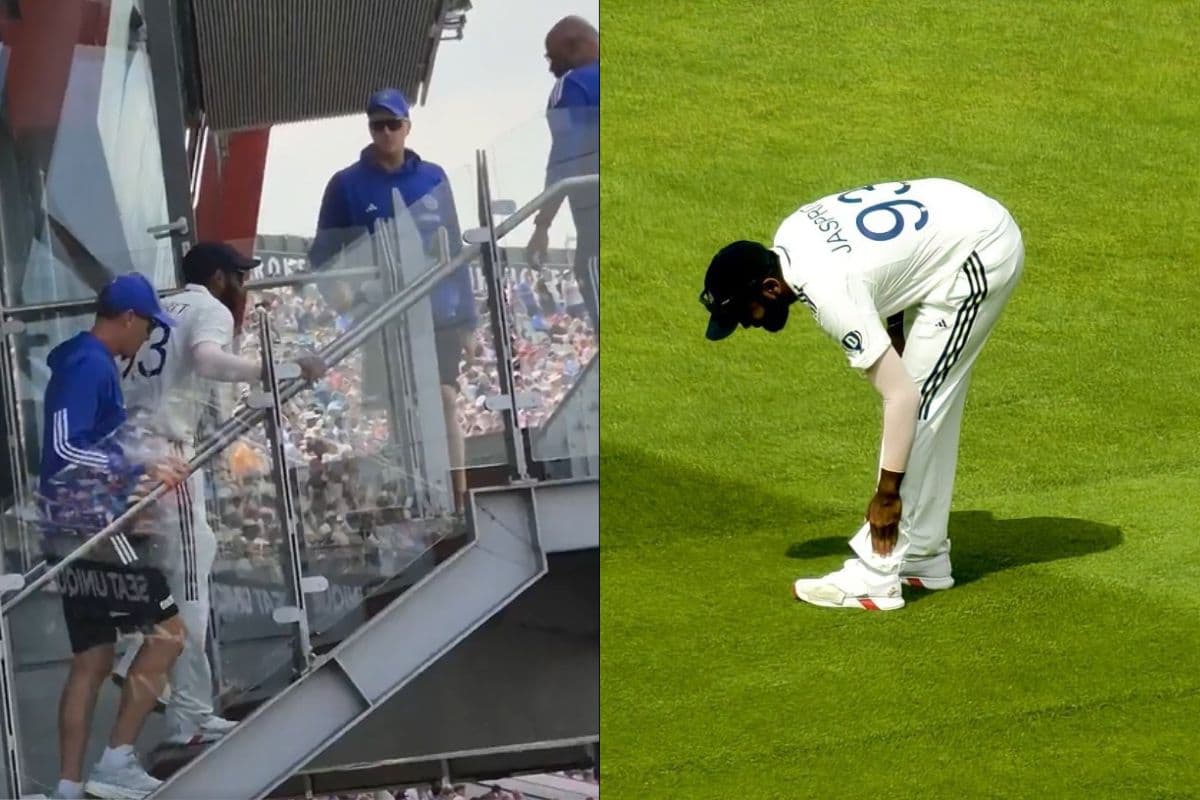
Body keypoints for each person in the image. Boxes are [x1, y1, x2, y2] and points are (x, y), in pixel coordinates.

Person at [700, 178, 1024, 611]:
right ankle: (924, 554)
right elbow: (880, 270)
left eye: (746, 312)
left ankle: (877, 575)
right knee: (929, 394)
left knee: (920, 403)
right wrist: (894, 331)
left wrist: (886, 495)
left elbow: (902, 397)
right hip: (952, 219)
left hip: (978, 251)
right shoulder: (791, 234)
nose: (748, 324)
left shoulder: (829, 294)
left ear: (770, 289)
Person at [115, 242, 325, 746]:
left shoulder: (159, 304)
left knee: (175, 571)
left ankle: (141, 661)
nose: (243, 284)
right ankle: (187, 712)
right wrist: (269, 369)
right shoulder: (209, 309)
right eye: (237, 274)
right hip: (165, 454)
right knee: (189, 583)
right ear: (215, 278)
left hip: (125, 448)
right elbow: (207, 360)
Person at [38, 273, 191, 799]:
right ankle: (117, 761)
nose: (148, 337)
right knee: (170, 634)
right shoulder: (89, 365)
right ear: (127, 318)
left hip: (73, 523)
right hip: (92, 525)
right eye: (147, 326)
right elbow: (64, 449)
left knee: (94, 659)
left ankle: (67, 787)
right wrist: (138, 465)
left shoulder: (83, 362)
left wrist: (136, 471)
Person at [310, 88, 475, 514]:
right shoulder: (346, 184)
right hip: (385, 314)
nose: (385, 133)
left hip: (437, 309)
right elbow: (322, 255)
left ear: (407, 126)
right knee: (404, 406)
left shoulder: (434, 177)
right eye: (377, 125)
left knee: (444, 397)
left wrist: (469, 319)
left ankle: (460, 494)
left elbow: (455, 247)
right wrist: (344, 301)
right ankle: (422, 495)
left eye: (393, 124)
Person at [525, 16, 600, 331]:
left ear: (575, 46)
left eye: (552, 57)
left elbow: (564, 158)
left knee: (590, 272)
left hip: (597, 220)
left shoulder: (573, 84)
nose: (551, 67)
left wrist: (542, 224)